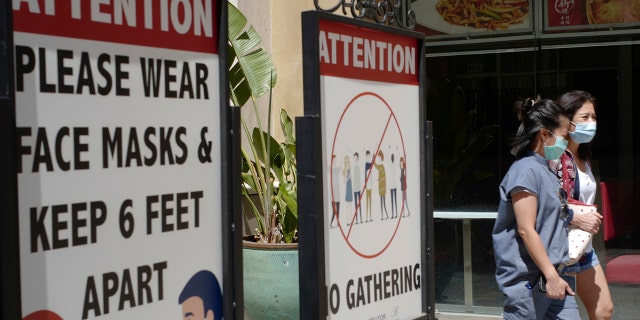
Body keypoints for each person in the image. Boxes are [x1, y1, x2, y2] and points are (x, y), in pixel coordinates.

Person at [492, 97, 578, 319]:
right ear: (544, 134)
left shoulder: (545, 169)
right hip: (531, 282)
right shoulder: (525, 171)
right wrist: (550, 277)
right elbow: (526, 230)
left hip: (557, 276)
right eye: (564, 135)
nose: (567, 142)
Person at [554, 90, 614, 320]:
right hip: (561, 249)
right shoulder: (556, 157)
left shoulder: (583, 156)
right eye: (585, 118)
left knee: (603, 310)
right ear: (567, 121)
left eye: (594, 117)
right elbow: (546, 203)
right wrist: (574, 217)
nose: (592, 123)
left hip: (583, 248)